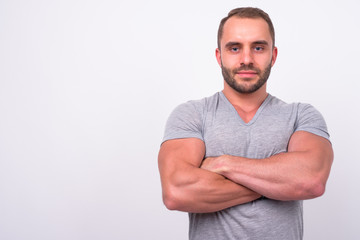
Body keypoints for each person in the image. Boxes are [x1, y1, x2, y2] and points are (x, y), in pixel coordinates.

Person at [158, 7, 333, 240]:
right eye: (235, 48)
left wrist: (223, 164)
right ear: (220, 56)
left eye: (258, 47)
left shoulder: (301, 115)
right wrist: (278, 184)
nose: (247, 59)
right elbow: (176, 192)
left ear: (274, 55)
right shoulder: (192, 115)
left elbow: (310, 181)